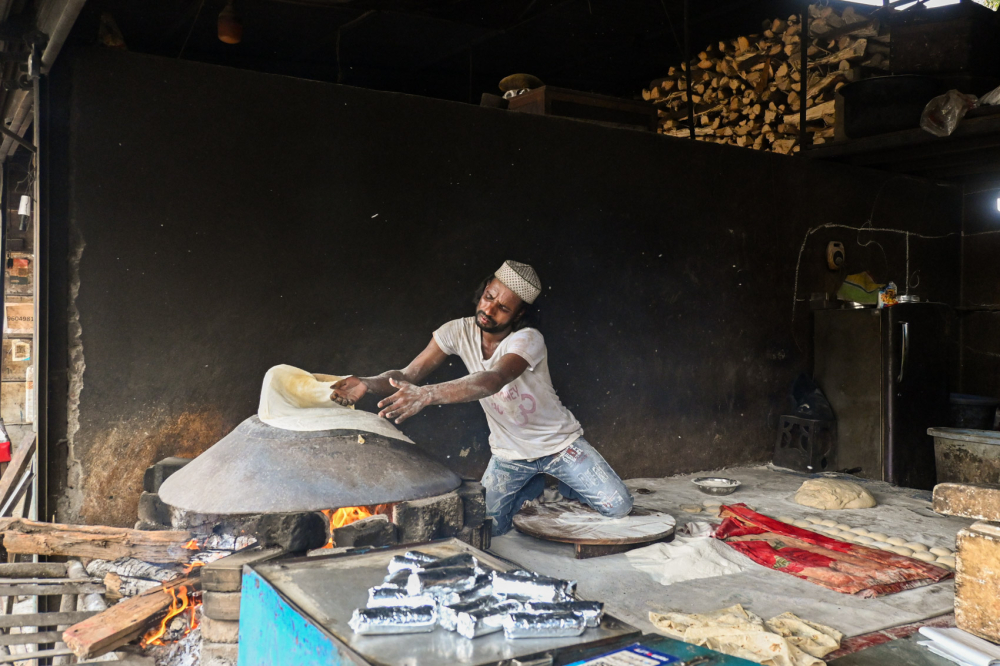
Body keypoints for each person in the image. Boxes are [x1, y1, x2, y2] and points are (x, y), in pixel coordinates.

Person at [330, 260, 633, 535]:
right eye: (489, 297)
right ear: (483, 290)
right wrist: (367, 384)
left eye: (503, 308)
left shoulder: (528, 340)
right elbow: (407, 375)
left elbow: (492, 380)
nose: (489, 310)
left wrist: (427, 395)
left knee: (618, 506)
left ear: (519, 314)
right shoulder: (456, 331)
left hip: (559, 445)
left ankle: (562, 484)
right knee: (489, 527)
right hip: (509, 456)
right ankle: (531, 485)